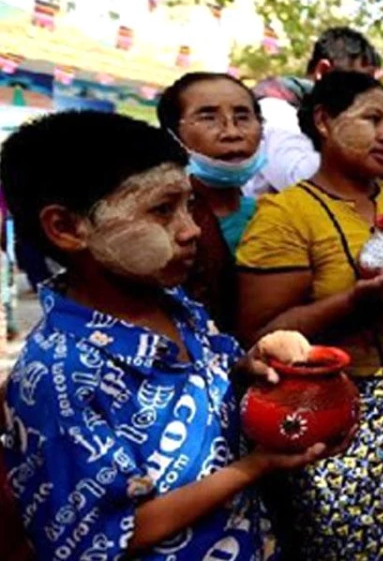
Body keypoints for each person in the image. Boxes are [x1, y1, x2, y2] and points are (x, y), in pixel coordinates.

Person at [0, 112, 331, 561]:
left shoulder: (176, 306)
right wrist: (255, 467)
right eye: (161, 210)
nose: (191, 229)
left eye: (189, 204)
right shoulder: (59, 375)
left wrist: (252, 361)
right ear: (67, 228)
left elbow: (211, 377)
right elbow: (107, 535)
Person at [235, 71, 383, 559]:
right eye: (372, 119)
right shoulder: (286, 214)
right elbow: (262, 333)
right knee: (348, 544)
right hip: (336, 407)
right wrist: (355, 302)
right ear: (324, 121)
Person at [157, 72, 263, 331]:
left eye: (243, 117)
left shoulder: (272, 214)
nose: (232, 132)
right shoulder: (156, 224)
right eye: (208, 118)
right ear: (173, 134)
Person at [245, 27, 382, 197]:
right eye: (358, 83)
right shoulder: (274, 110)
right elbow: (303, 181)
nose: (366, 94)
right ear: (323, 72)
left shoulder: (324, 116)